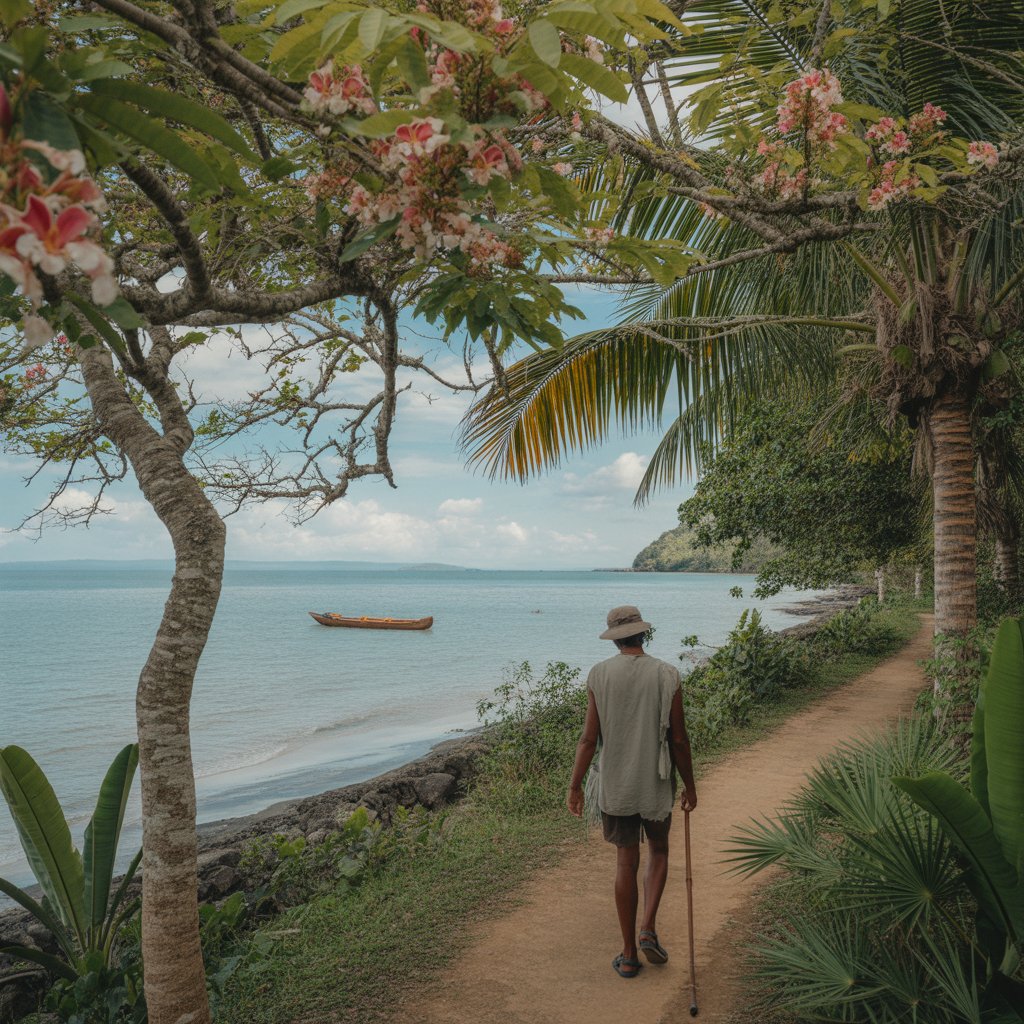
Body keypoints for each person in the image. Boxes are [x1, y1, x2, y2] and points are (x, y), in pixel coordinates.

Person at [566, 604, 697, 979]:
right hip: (654, 782)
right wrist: (690, 785)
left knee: (626, 861)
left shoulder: (599, 675)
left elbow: (589, 739)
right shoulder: (668, 675)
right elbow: (679, 740)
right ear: (643, 634)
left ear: (615, 638)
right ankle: (647, 928)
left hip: (617, 781)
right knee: (658, 850)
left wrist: (574, 787)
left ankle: (627, 955)